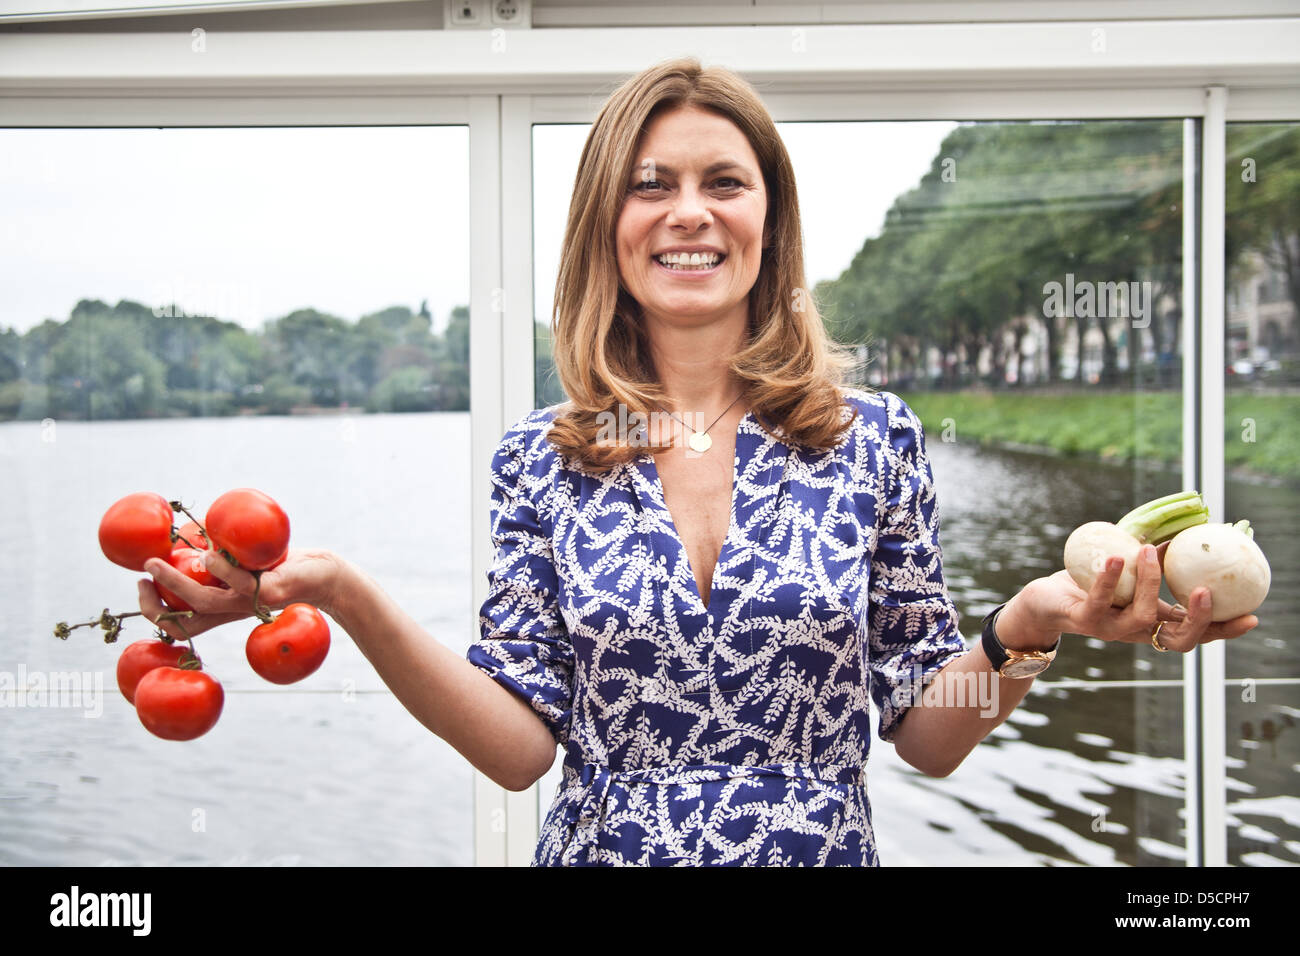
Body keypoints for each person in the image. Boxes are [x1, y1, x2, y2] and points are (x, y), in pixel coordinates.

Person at [138, 56, 1260, 867]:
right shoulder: (539, 459)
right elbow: (521, 747)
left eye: (724, 181)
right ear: (607, 224)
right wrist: (344, 589)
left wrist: (1031, 622)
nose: (689, 212)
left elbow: (925, 730)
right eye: (650, 182)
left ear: (767, 217)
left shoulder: (874, 440)